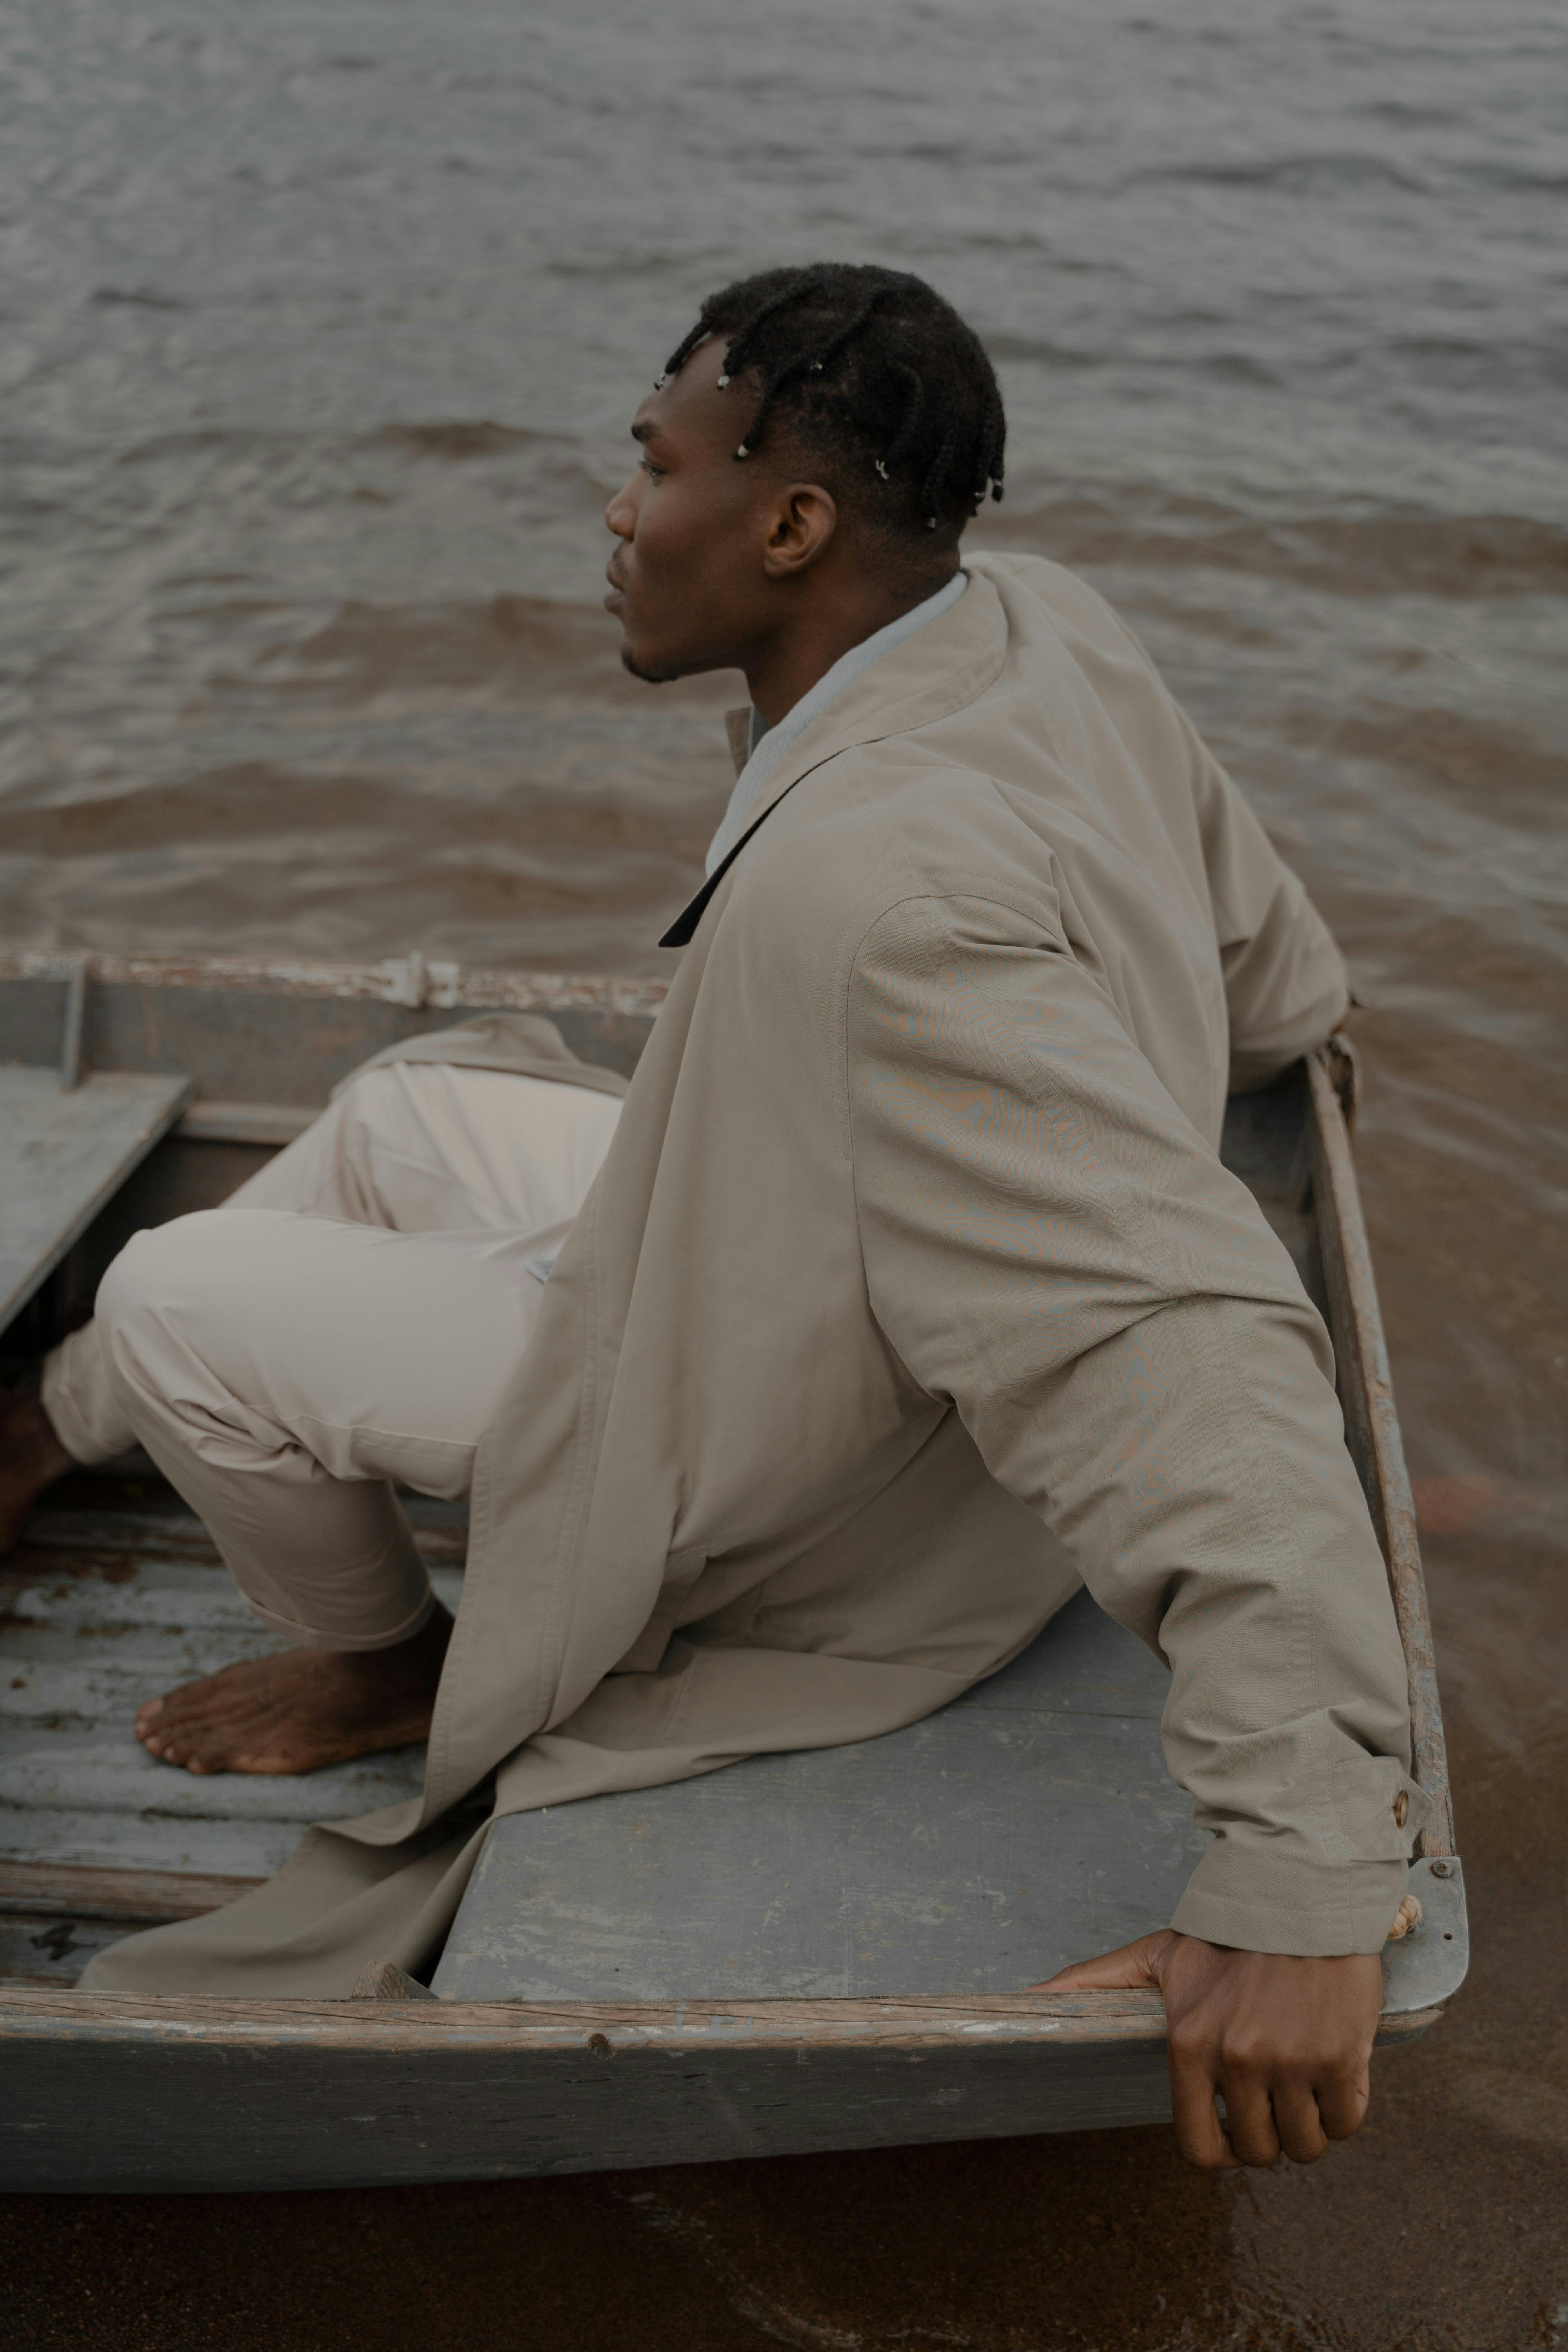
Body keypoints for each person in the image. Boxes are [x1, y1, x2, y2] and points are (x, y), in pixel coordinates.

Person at [0, 263, 1424, 2173]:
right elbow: (1261, 956)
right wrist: (1285, 1047)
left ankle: (397, 1657)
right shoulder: (1029, 619)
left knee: (180, 1285)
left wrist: (1295, 1875)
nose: (615, 512)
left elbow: (1168, 1339)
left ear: (788, 524)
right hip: (793, 1241)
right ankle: (59, 1419)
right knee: (397, 1108)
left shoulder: (883, 899)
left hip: (849, 1462)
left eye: (649, 464)